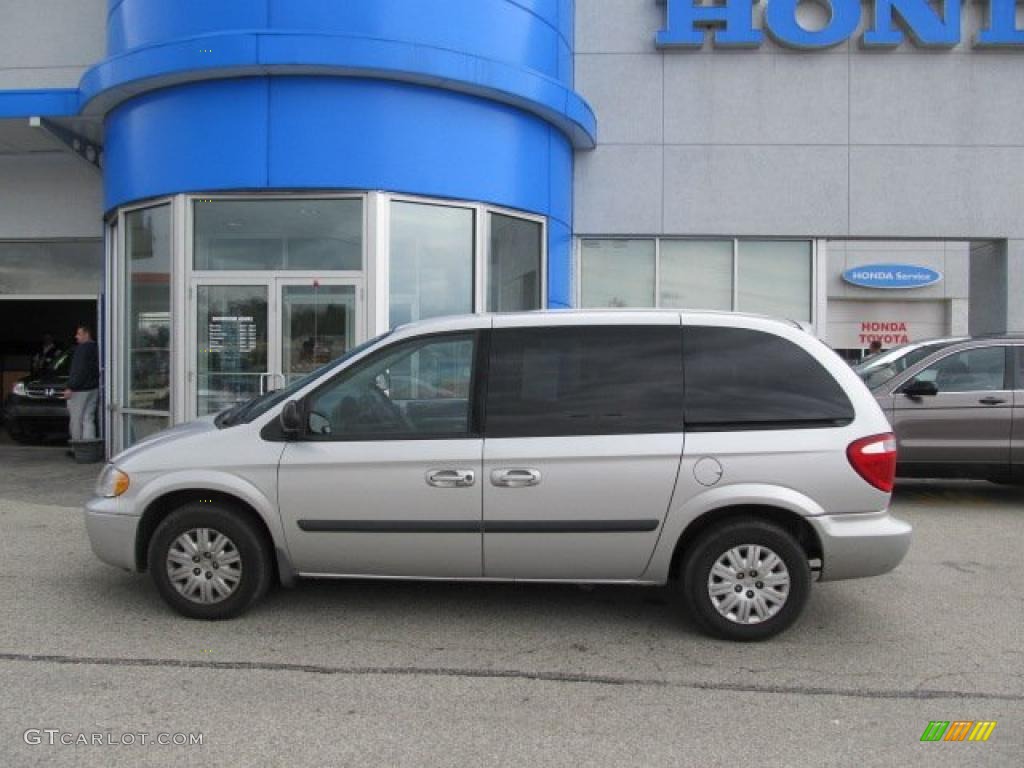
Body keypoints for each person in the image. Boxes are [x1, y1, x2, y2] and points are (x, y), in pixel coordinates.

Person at [64, 324, 100, 449]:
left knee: (76, 419)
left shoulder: (81, 349)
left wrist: (70, 387)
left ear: (86, 334)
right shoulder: (96, 348)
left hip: (79, 390)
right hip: (93, 388)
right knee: (88, 418)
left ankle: (77, 448)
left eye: (78, 334)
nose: (76, 337)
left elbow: (78, 370)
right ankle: (89, 447)